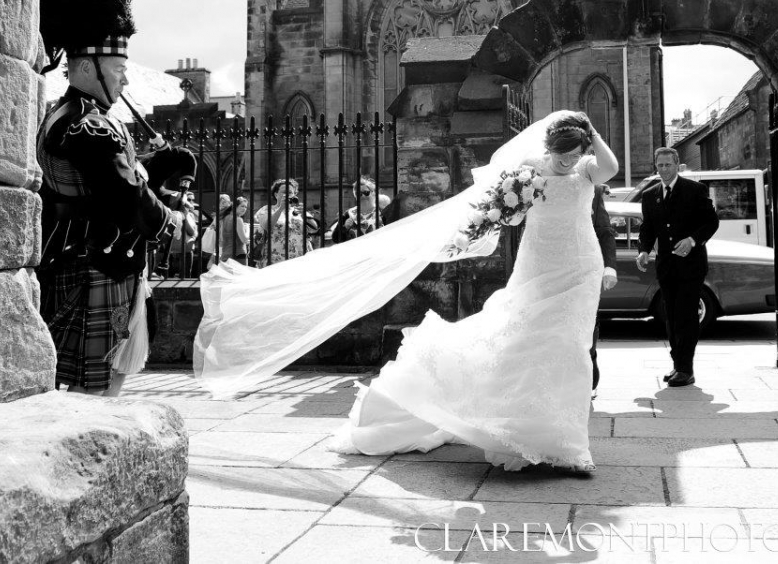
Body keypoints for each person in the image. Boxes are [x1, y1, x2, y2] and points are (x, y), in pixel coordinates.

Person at [194, 110, 619, 473]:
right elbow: (499, 216)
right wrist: (482, 223)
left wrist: (591, 132)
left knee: (570, 347)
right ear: (549, 149)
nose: (565, 163)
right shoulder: (529, 171)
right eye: (560, 155)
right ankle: (531, 431)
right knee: (529, 342)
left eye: (573, 155)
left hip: (580, 267)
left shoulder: (586, 170)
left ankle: (569, 448)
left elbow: (612, 169)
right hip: (537, 264)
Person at [35, 0, 196, 397]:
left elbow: (112, 178)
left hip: (89, 260)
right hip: (97, 265)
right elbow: (124, 195)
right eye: (118, 67)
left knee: (92, 386)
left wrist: (160, 165)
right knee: (99, 391)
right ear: (87, 67)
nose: (125, 78)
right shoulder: (90, 126)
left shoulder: (69, 115)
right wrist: (171, 221)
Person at [636, 147, 719, 387]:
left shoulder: (694, 190)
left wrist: (693, 240)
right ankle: (676, 364)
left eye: (668, 165)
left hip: (691, 266)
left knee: (686, 316)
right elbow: (648, 228)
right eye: (660, 166)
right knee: (670, 316)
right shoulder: (650, 195)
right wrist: (643, 250)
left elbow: (711, 222)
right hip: (666, 266)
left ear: (677, 165)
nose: (663, 170)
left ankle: (686, 368)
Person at [588, 183, 618, 399]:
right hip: (553, 268)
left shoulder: (594, 191)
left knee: (587, 323)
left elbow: (605, 232)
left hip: (585, 269)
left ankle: (589, 374)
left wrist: (609, 267)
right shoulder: (539, 183)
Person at [254, 179, 315, 264]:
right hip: (275, 258)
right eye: (283, 192)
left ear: (294, 195)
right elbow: (266, 225)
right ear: (276, 194)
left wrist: (305, 215)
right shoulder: (266, 209)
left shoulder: (298, 210)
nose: (287, 195)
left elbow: (315, 229)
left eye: (290, 192)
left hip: (300, 257)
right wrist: (281, 208)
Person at [331, 176, 392, 244]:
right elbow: (335, 238)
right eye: (358, 194)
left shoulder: (383, 212)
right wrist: (344, 228)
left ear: (373, 193)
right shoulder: (348, 214)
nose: (362, 196)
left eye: (366, 193)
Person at [201, 194, 250, 267]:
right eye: (242, 206)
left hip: (225, 253)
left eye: (246, 207)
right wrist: (248, 230)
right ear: (235, 206)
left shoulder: (225, 218)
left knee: (223, 274)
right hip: (238, 253)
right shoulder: (238, 220)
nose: (244, 209)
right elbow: (244, 240)